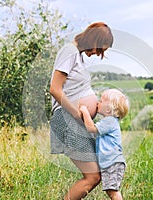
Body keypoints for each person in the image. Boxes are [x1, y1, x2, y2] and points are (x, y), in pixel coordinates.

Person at [49, 22, 113, 200]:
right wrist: (77, 114)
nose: (96, 54)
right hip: (67, 119)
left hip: (75, 122)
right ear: (93, 39)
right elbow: (55, 89)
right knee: (93, 176)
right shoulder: (69, 52)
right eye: (98, 49)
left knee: (97, 174)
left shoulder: (78, 56)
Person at [79, 89, 129, 200]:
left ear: (109, 108)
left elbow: (91, 128)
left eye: (101, 101)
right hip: (110, 162)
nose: (97, 103)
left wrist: (84, 111)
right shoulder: (107, 121)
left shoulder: (110, 121)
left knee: (113, 191)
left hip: (113, 162)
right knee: (110, 190)